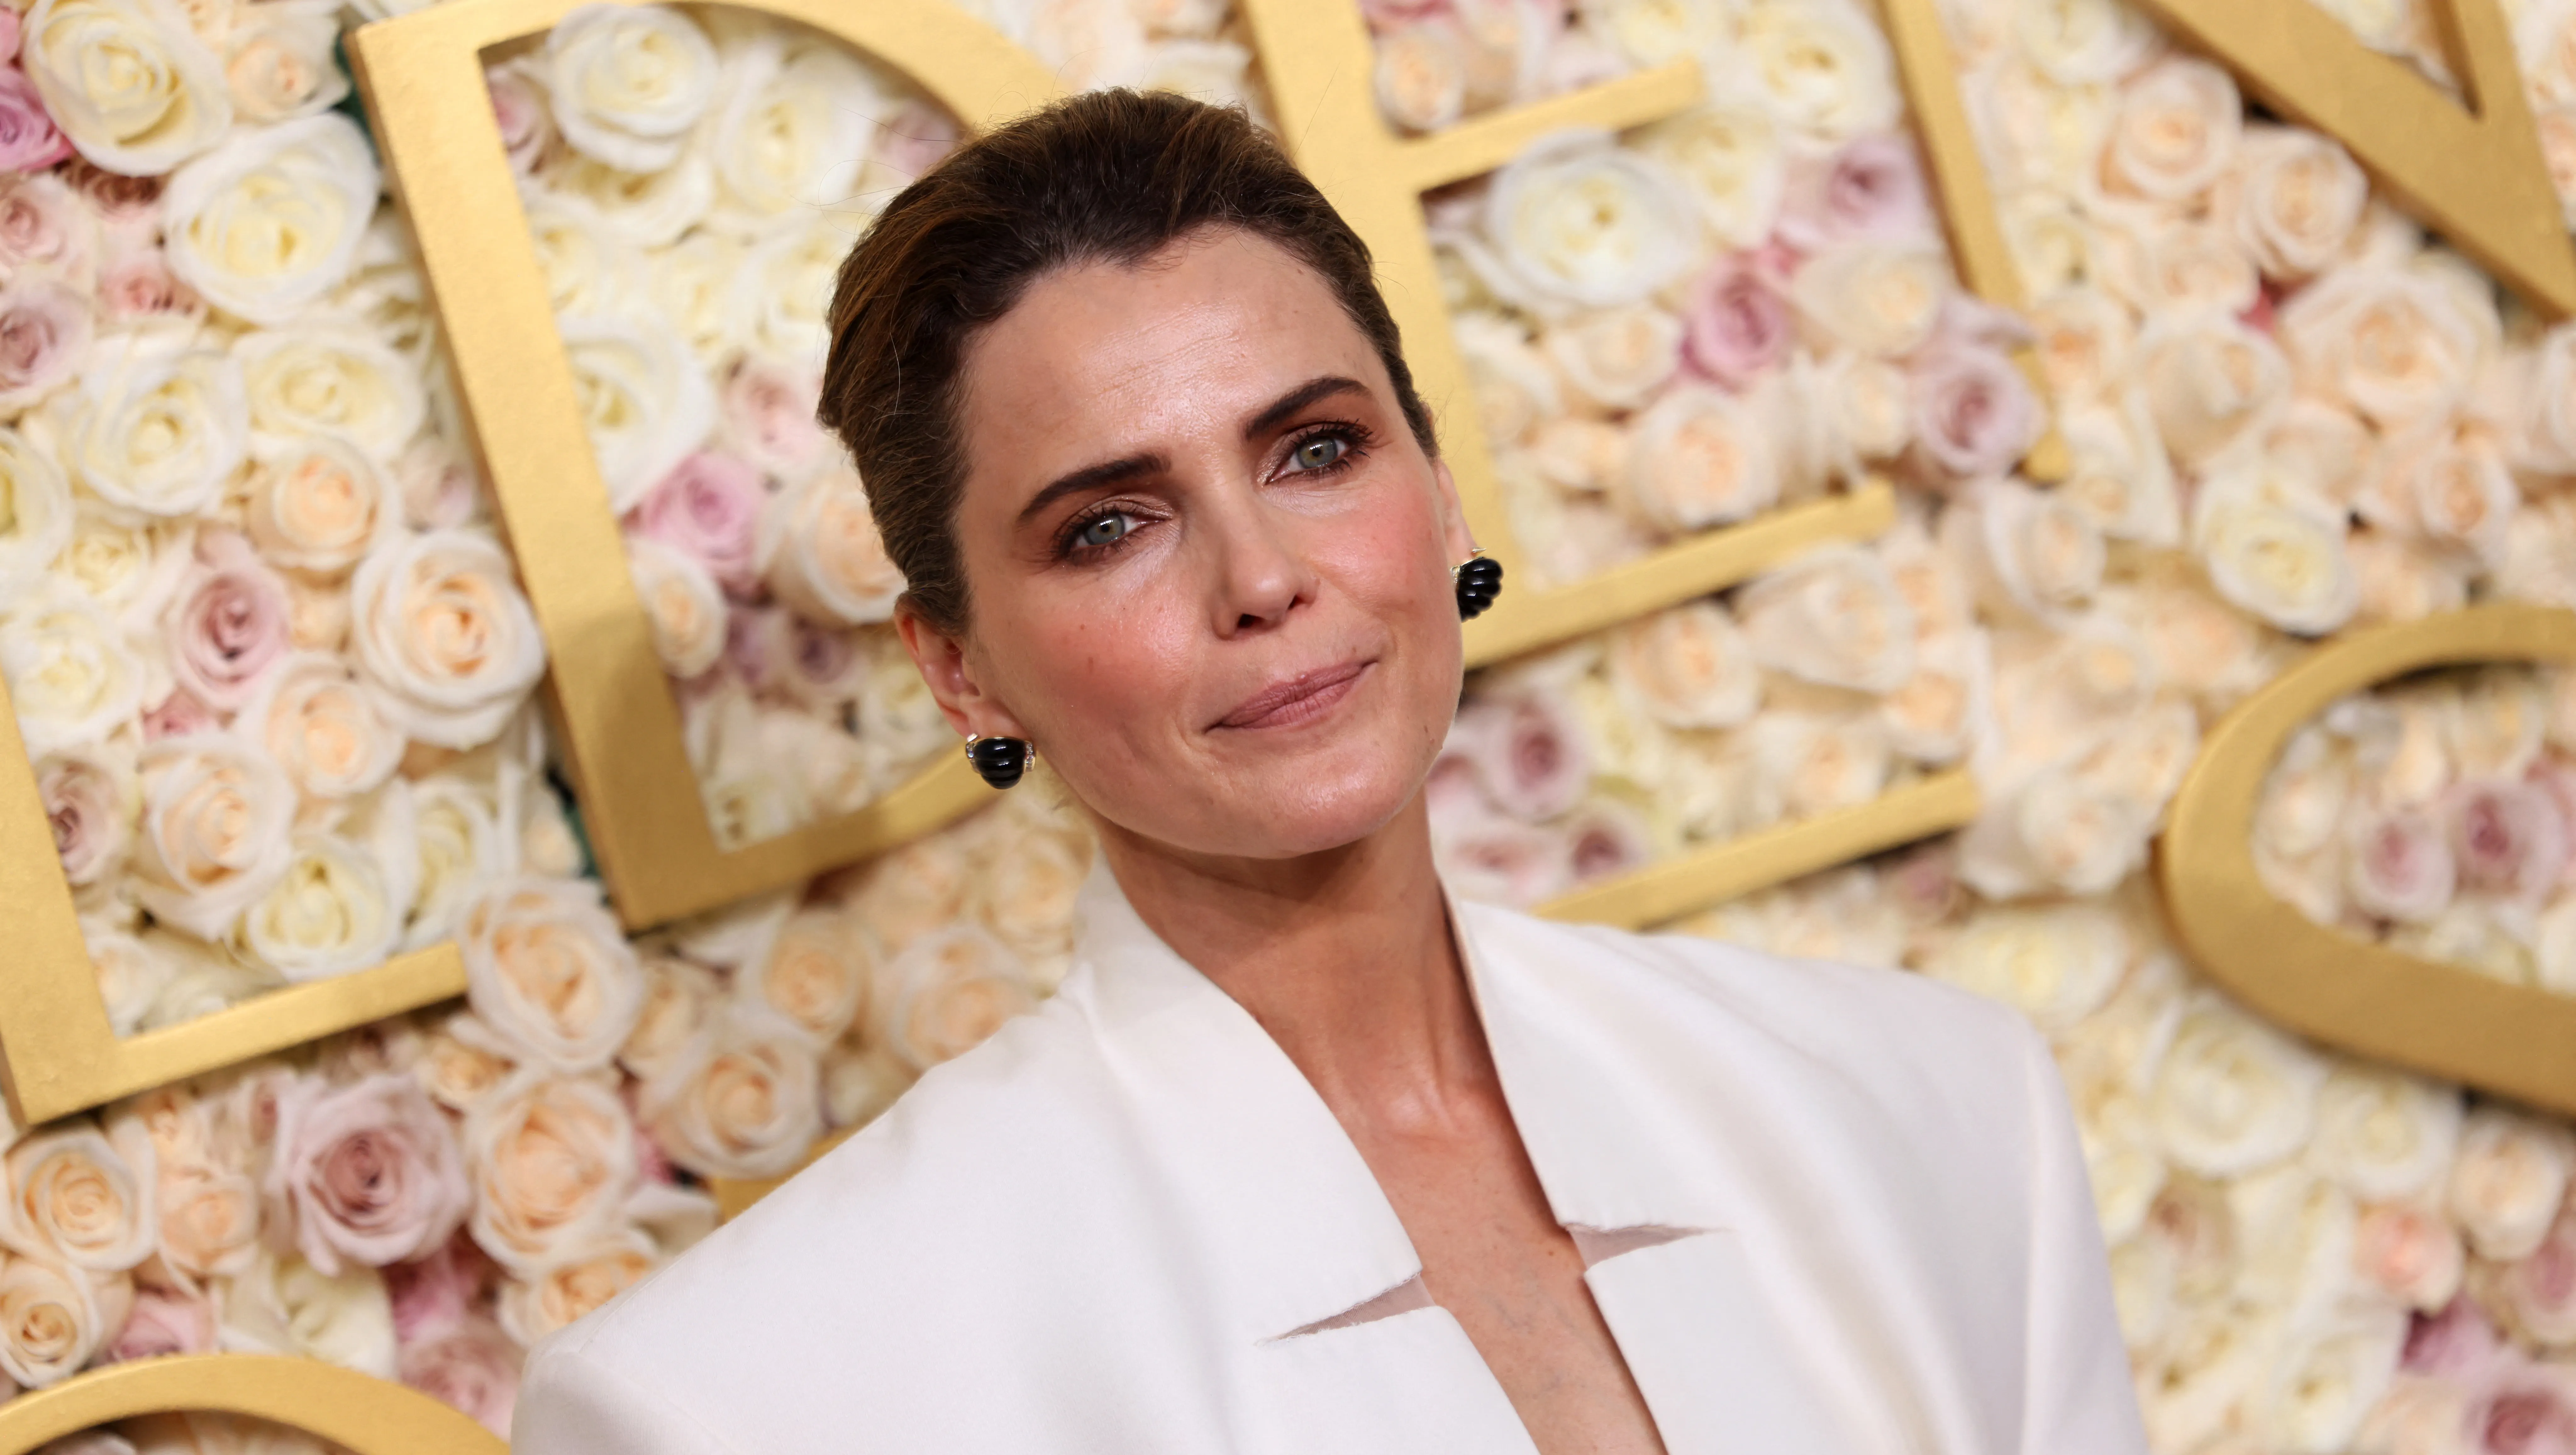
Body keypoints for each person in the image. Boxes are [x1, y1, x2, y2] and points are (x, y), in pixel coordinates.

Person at [513, 89, 2146, 1455]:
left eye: (1315, 449)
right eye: (1109, 525)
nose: (1261, 576)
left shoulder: (1932, 1109)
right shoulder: (744, 1401)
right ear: (958, 666)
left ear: (1439, 497)